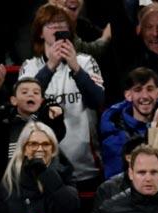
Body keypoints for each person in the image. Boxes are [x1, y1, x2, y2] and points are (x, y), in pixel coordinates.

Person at [19, 4, 105, 190]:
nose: (58, 27)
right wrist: (50, 66)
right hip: (43, 166)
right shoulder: (30, 67)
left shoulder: (85, 62)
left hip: (86, 166)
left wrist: (76, 68)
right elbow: (26, 106)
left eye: (62, 23)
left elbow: (97, 100)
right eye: (51, 24)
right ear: (40, 33)